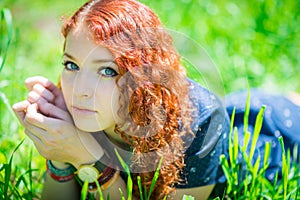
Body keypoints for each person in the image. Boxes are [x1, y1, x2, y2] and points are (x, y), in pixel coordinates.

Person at [12, 0, 300, 199]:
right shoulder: (81, 103)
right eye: (72, 65)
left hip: (274, 137)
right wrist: (58, 154)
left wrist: (85, 158)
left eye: (108, 70)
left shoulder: (200, 124)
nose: (80, 90)